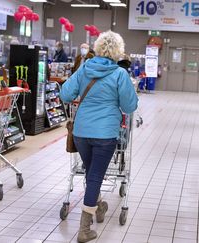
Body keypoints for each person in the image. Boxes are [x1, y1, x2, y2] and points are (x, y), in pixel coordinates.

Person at [60, 31, 138, 243]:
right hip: (105, 135)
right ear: (118, 51)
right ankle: (84, 229)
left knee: (91, 172)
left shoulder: (85, 67)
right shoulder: (120, 74)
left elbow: (65, 94)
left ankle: (100, 206)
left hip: (81, 133)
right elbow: (129, 106)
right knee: (94, 176)